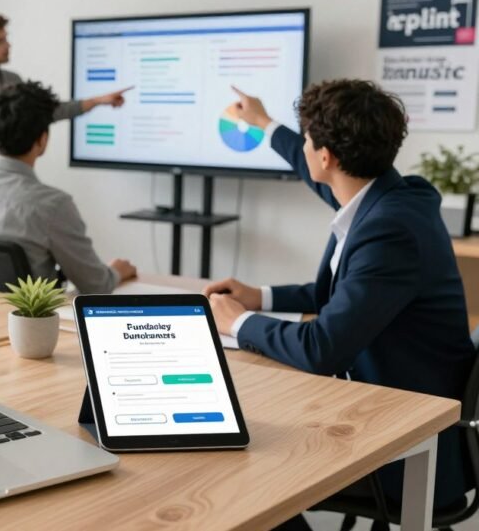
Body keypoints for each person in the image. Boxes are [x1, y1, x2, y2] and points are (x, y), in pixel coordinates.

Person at [203, 80, 475, 524]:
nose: (305, 148)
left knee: (239, 471)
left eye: (309, 140)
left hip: (404, 443)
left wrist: (239, 321)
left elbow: (322, 348)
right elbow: (345, 292)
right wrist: (261, 296)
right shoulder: (394, 197)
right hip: (387, 403)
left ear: (326, 157)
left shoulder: (389, 231)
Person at [0, 80, 137, 293]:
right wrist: (116, 271)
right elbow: (96, 285)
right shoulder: (53, 206)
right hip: (32, 323)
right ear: (42, 140)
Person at [0, 12, 130, 171]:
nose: (8, 45)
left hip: (15, 182)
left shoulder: (12, 80)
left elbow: (45, 112)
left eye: (6, 38)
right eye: (0, 41)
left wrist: (97, 101)